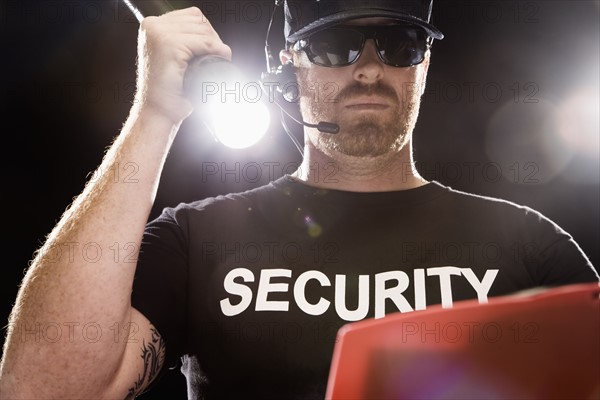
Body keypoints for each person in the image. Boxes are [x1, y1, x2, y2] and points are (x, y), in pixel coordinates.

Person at [1, 0, 598, 399]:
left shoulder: (529, 243)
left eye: (398, 44)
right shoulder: (199, 238)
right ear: (287, 66)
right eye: (336, 45)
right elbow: (40, 390)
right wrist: (155, 114)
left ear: (424, 62)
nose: (368, 70)